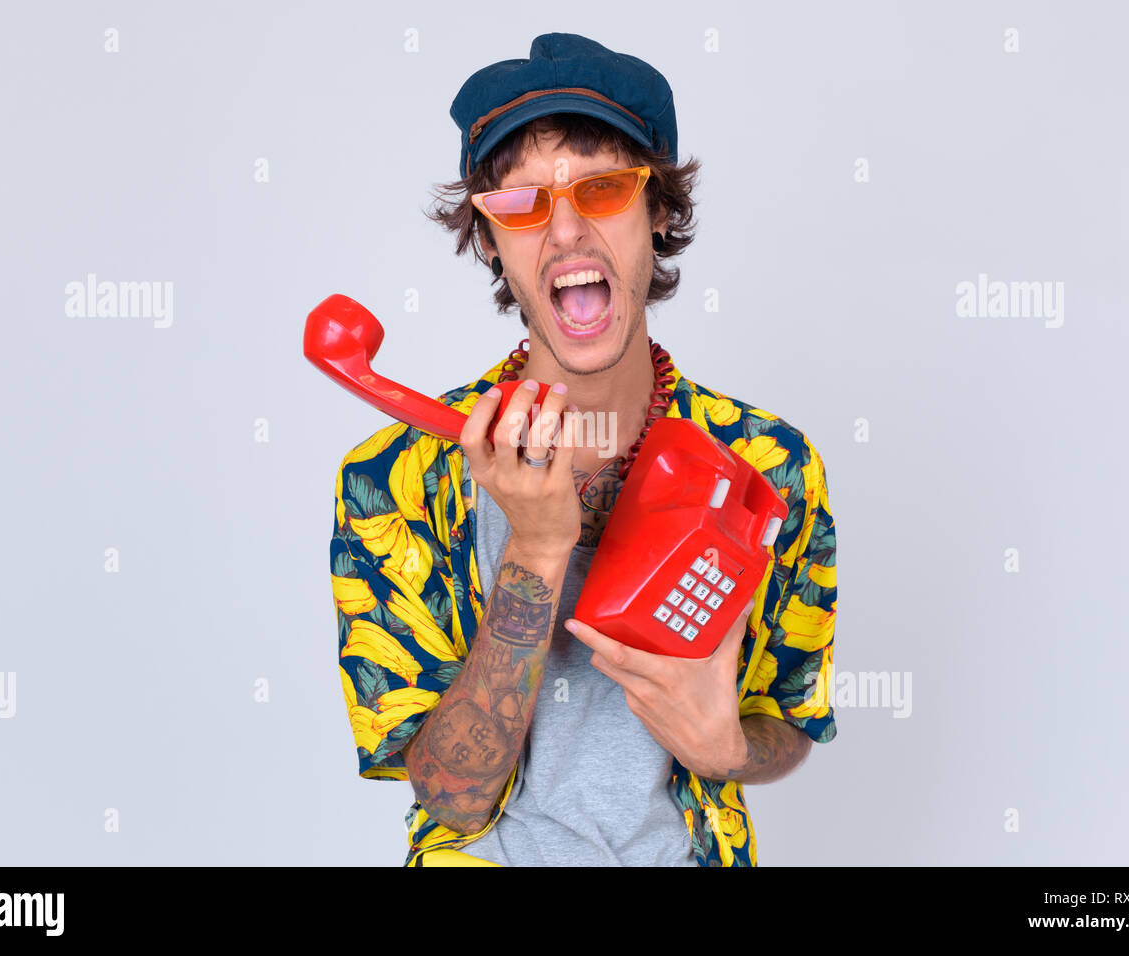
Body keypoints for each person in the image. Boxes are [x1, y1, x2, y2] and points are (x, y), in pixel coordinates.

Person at [330, 33, 838, 867]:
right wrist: (535, 545)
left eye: (603, 189)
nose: (564, 231)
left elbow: (789, 720)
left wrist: (726, 751)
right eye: (522, 205)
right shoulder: (394, 479)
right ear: (489, 240)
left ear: (659, 211)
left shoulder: (773, 464)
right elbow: (451, 798)